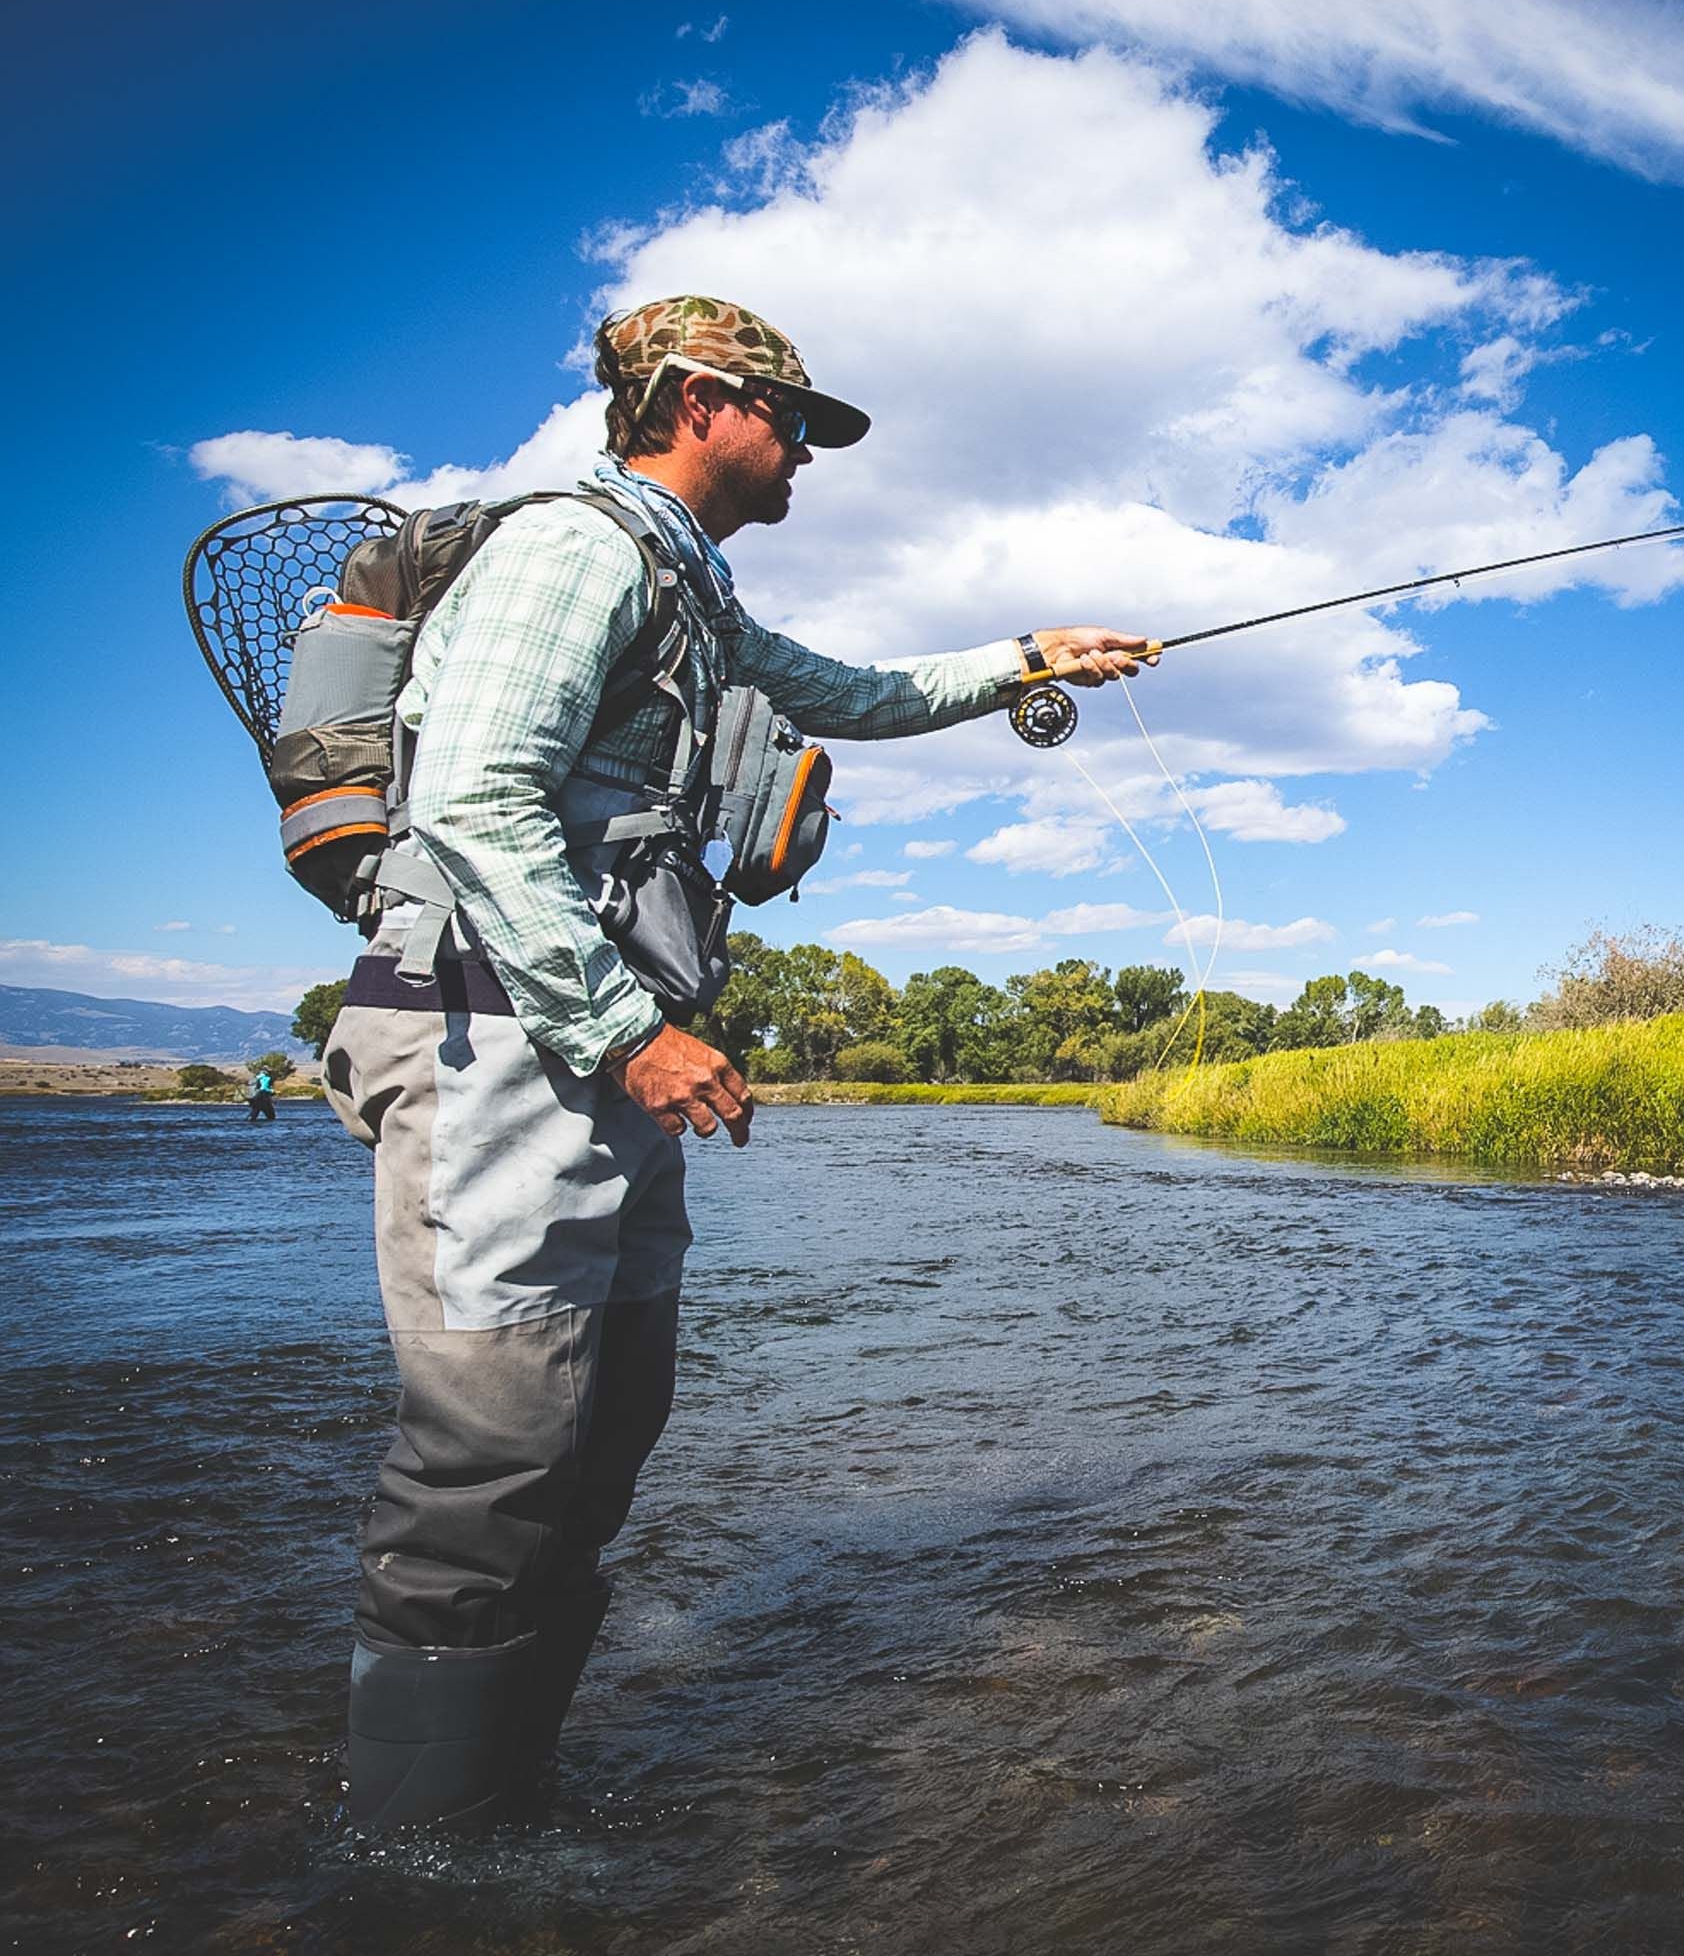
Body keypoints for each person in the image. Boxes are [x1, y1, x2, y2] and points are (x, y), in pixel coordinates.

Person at [319, 294, 1152, 1829]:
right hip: (502, 1037)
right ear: (702, 400)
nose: (807, 459)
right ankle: (411, 1863)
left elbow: (857, 696)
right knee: (491, 1455)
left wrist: (1036, 654)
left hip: (580, 1055)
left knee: (603, 1425)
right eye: (795, 425)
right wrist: (634, 1035)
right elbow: (481, 801)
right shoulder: (576, 548)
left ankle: (506, 1803)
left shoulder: (687, 589)